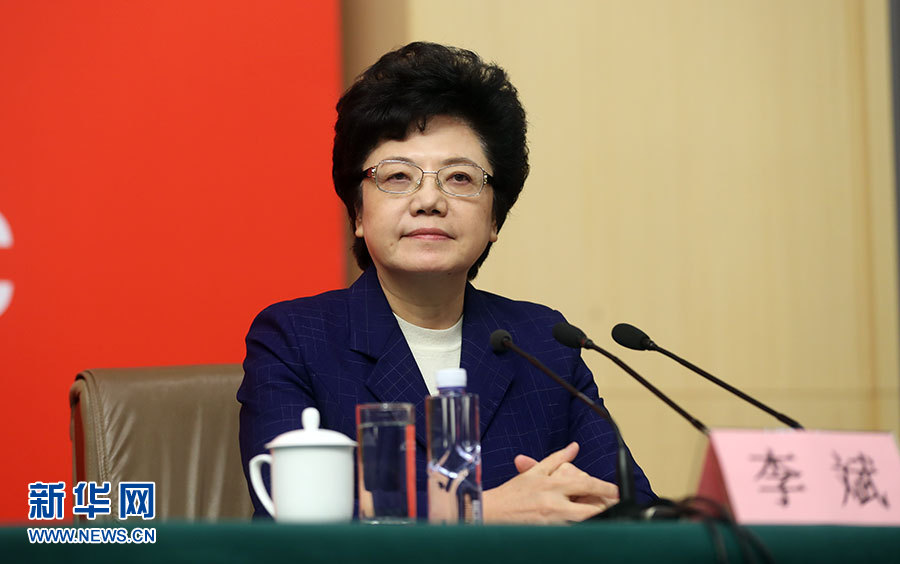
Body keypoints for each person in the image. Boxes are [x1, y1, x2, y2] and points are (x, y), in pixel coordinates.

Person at [238, 41, 655, 523]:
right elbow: (291, 517)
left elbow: (635, 512)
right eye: (398, 177)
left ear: (494, 218)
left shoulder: (544, 343)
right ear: (358, 213)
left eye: (459, 178)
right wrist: (482, 511)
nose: (429, 201)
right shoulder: (296, 339)